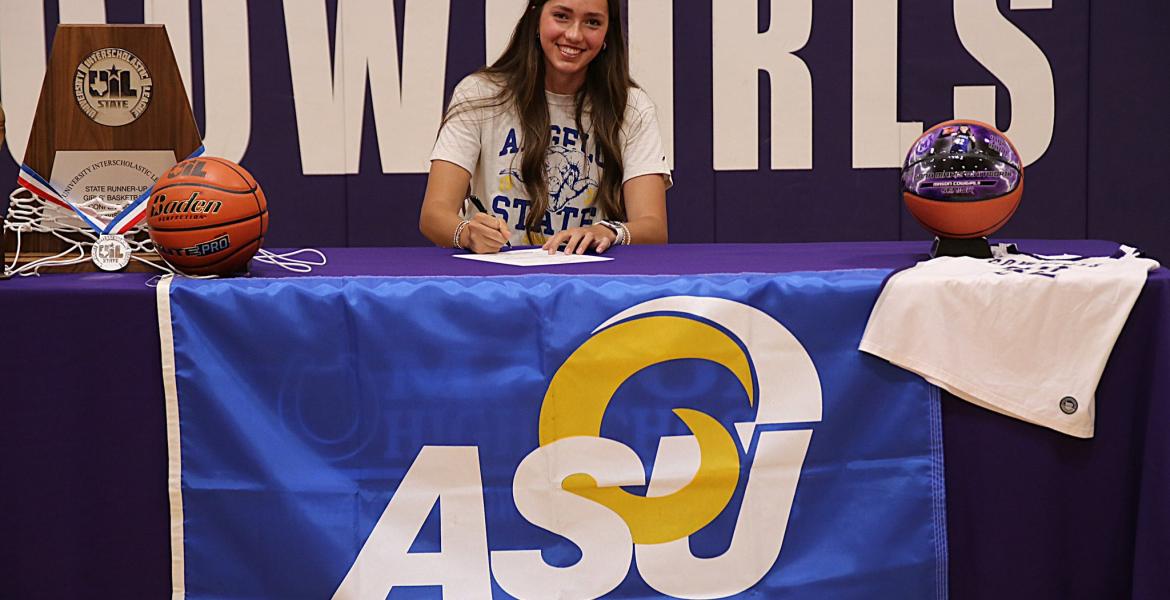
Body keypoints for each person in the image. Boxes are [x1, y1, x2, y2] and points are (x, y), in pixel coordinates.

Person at [419, 0, 671, 255]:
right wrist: (467, 233)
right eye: (561, 16)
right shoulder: (479, 94)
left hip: (590, 284)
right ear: (536, 18)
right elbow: (434, 214)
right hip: (494, 283)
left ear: (608, 32)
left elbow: (653, 227)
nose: (574, 34)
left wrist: (609, 231)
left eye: (592, 22)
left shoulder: (632, 107)